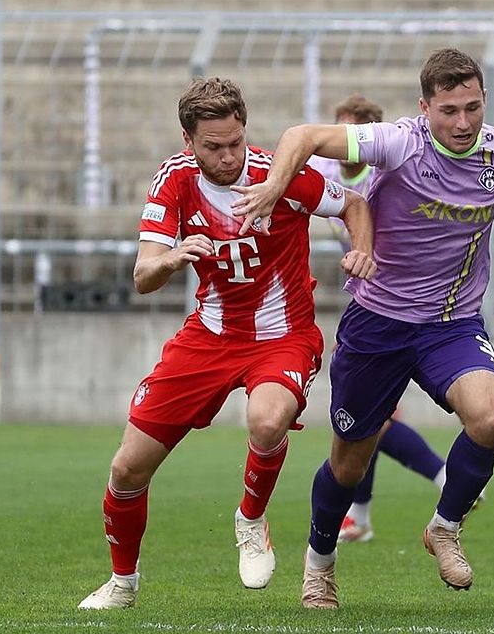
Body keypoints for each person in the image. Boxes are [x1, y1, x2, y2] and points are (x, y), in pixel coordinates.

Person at [232, 48, 494, 609]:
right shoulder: (398, 142)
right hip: (377, 326)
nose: (462, 123)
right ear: (424, 107)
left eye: (473, 108)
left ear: (484, 102)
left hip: (451, 323)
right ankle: (319, 565)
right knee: (349, 461)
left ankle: (445, 527)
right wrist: (272, 187)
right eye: (449, 111)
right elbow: (301, 136)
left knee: (490, 416)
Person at [77, 77, 376, 610]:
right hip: (209, 337)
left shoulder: (274, 175)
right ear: (188, 141)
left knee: (266, 419)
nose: (227, 156)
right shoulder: (174, 181)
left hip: (283, 336)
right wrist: (170, 258)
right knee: (127, 468)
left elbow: (353, 203)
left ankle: (251, 518)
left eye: (235, 142)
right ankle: (123, 583)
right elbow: (143, 275)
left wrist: (362, 250)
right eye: (213, 146)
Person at [310, 94, 456, 544]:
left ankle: (444, 477)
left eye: (349, 133)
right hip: (367, 302)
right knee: (368, 422)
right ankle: (365, 514)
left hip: (405, 308)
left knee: (373, 422)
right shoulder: (327, 174)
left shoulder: (385, 172)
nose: (340, 143)